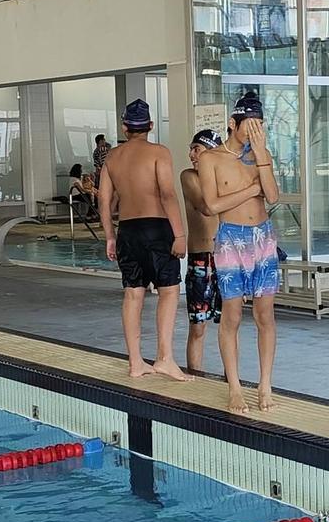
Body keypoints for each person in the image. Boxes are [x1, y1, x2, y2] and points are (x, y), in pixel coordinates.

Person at [194, 89, 282, 414]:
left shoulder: (262, 154)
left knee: (265, 315)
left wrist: (261, 155)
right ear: (233, 124)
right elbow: (212, 204)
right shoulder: (210, 159)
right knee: (231, 315)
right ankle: (234, 387)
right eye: (251, 125)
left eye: (260, 125)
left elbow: (272, 196)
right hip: (231, 239)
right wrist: (251, 189)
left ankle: (265, 384)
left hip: (262, 238)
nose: (256, 131)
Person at [99, 98, 188, 381]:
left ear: (124, 128)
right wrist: (180, 234)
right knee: (169, 291)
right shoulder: (159, 152)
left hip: (128, 230)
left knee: (133, 293)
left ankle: (136, 362)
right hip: (157, 228)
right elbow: (167, 194)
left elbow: (103, 200)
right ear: (150, 125)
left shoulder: (112, 158)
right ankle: (165, 358)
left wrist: (110, 236)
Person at [178, 130, 224, 377]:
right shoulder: (189, 177)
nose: (191, 154)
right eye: (191, 149)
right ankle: (195, 378)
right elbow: (207, 207)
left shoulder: (226, 178)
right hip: (200, 258)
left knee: (230, 324)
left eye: (197, 149)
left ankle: (232, 379)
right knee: (198, 326)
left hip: (226, 259)